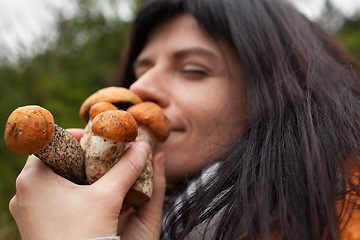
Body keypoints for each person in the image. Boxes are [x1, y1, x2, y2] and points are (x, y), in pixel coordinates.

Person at [8, 0, 360, 239]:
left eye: (192, 69)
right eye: (139, 70)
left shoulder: (340, 216)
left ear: (275, 94)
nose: (139, 87)